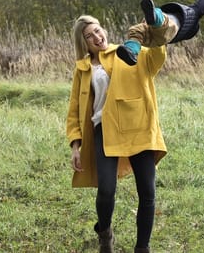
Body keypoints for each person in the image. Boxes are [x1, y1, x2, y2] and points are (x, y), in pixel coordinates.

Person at [66, 15, 168, 253]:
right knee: (106, 190)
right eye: (89, 36)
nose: (97, 37)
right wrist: (75, 145)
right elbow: (74, 109)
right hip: (104, 130)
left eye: (98, 31)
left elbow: (156, 58)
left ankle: (142, 247)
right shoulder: (83, 69)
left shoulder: (129, 52)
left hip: (138, 127)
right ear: (83, 43)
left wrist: (154, 29)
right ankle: (105, 233)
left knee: (147, 192)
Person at [116, 0, 204, 65]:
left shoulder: (192, 16)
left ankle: (155, 18)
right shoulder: (184, 16)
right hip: (154, 32)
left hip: (164, 33)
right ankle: (131, 51)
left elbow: (202, 5)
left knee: (165, 24)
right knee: (136, 30)